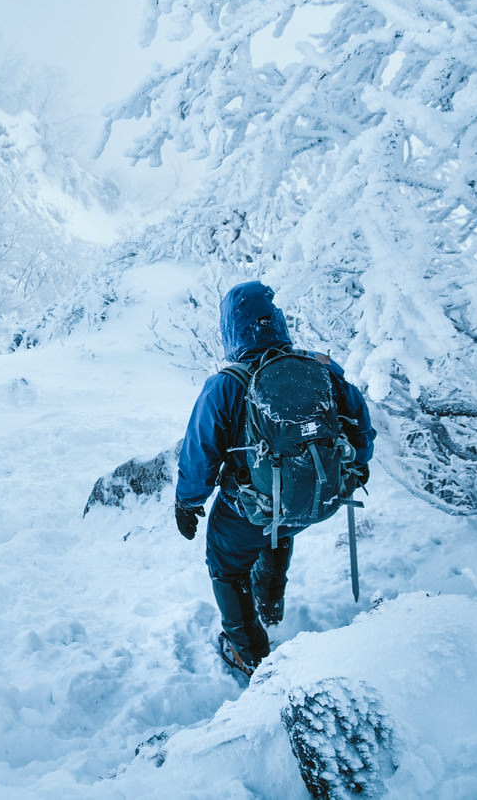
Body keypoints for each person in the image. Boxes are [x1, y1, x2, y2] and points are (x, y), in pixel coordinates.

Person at [172, 281, 375, 678]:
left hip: (252, 507)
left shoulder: (226, 384)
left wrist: (188, 503)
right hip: (318, 498)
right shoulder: (319, 366)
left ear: (230, 328)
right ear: (278, 319)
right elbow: (359, 423)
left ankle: (249, 655)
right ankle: (270, 606)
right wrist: (360, 465)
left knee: (227, 566)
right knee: (280, 528)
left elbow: (200, 453)